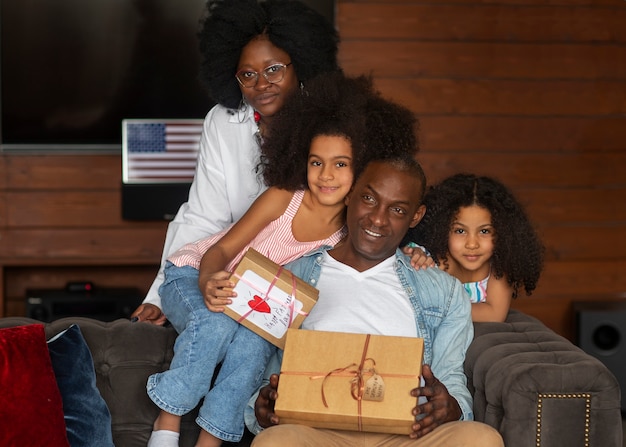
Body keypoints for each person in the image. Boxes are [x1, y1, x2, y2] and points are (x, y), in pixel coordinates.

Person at [146, 73, 422, 447]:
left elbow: (387, 244)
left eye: (341, 164)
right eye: (316, 162)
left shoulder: (349, 232)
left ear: (363, 169)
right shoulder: (282, 197)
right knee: (215, 327)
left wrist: (418, 253)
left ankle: (210, 441)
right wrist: (209, 278)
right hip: (195, 272)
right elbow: (222, 250)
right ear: (300, 158)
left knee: (255, 348)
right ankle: (167, 422)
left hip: (253, 307)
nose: (326, 175)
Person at [244, 156, 505, 446]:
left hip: (407, 435)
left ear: (415, 216)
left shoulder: (444, 294)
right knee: (275, 442)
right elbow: (267, 378)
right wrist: (264, 406)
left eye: (397, 209)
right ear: (350, 194)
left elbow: (450, 377)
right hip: (317, 432)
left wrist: (452, 407)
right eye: (369, 198)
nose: (378, 219)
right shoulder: (293, 278)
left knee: (481, 439)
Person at [131, 0, 341, 325]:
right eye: (248, 74)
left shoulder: (331, 121)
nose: (261, 84)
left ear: (300, 63)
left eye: (274, 69)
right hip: (234, 273)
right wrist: (160, 297)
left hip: (313, 279)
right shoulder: (221, 121)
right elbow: (203, 216)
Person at [404, 173, 544, 322]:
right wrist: (410, 253)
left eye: (484, 231)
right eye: (460, 231)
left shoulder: (498, 267)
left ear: (504, 233)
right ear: (441, 230)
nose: (472, 244)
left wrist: (441, 309)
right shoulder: (431, 261)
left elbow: (495, 314)